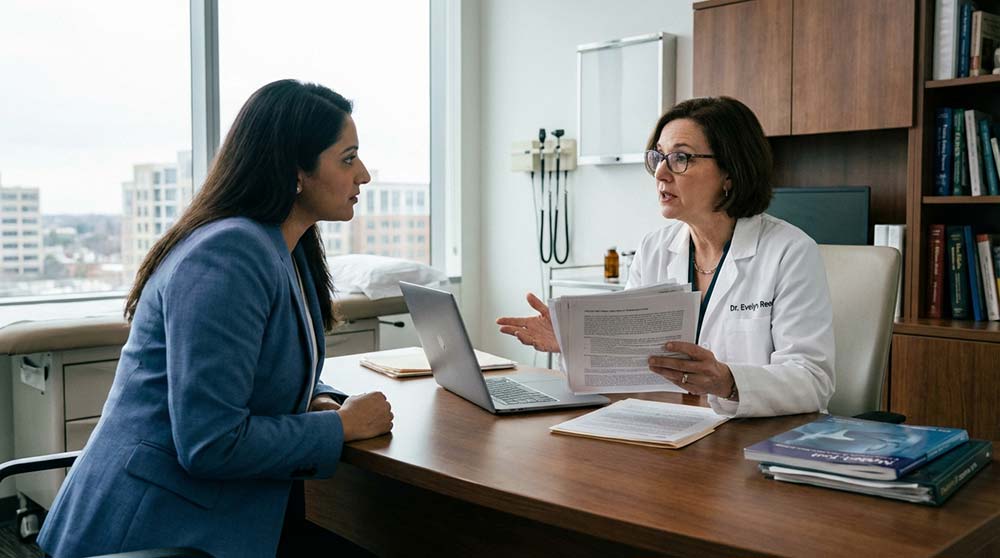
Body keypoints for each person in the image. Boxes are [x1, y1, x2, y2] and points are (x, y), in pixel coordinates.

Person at [37, 80, 393, 557]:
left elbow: (273, 370)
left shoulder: (287, 247)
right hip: (153, 531)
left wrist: (320, 400)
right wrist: (342, 427)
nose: (364, 175)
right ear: (296, 171)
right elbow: (211, 442)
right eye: (348, 158)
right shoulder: (229, 255)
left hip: (222, 512)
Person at [497, 96, 834, 418]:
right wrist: (577, 345)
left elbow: (813, 381)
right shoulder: (655, 248)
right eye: (658, 157)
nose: (660, 173)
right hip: (670, 426)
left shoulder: (790, 252)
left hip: (749, 439)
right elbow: (631, 365)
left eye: (681, 158)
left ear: (730, 172)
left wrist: (728, 382)